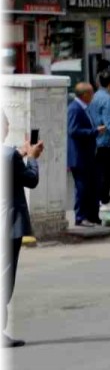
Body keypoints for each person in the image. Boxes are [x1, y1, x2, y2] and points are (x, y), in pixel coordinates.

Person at [3, 114, 42, 347]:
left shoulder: (10, 154)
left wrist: (22, 152)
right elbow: (31, 179)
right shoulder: (9, 155)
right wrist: (33, 158)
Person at [67, 82, 102, 226]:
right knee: (82, 188)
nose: (93, 96)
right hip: (79, 157)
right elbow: (73, 130)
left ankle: (91, 215)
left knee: (91, 186)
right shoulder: (75, 109)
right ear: (85, 94)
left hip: (87, 156)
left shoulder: (83, 108)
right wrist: (94, 132)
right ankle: (80, 217)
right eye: (92, 93)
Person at [88, 68, 110, 210]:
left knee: (98, 172)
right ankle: (104, 200)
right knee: (107, 173)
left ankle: (98, 200)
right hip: (106, 141)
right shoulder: (108, 99)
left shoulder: (94, 96)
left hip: (94, 140)